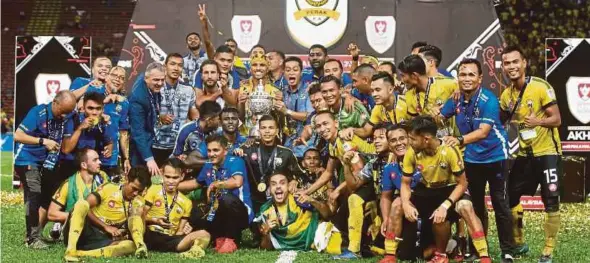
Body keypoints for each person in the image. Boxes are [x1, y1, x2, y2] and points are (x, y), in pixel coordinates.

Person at [437, 58, 518, 262]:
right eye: (462, 74)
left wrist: (458, 140)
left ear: (480, 78)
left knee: (500, 204)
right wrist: (435, 116)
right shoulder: (456, 99)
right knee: (477, 207)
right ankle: (477, 250)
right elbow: (438, 117)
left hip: (496, 156)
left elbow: (483, 132)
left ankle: (507, 250)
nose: (466, 79)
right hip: (473, 159)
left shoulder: (488, 100)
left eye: (471, 74)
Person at [499, 45, 562, 263]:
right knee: (511, 197)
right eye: (507, 63)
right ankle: (518, 242)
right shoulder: (507, 95)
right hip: (524, 155)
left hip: (547, 153)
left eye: (515, 62)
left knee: (551, 200)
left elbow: (557, 119)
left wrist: (538, 121)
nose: (511, 67)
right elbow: (499, 121)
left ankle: (548, 250)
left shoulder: (541, 87)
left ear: (524, 63)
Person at [401, 116, 491, 263]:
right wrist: (406, 203)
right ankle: (439, 254)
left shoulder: (449, 150)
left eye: (412, 139)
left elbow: (462, 184)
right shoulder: (411, 152)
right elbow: (405, 184)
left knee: (465, 206)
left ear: (426, 139)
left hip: (451, 189)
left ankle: (484, 256)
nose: (409, 142)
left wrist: (445, 205)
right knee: (399, 204)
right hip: (428, 190)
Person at [13, 90, 77, 249]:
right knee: (33, 194)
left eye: (67, 113)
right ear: (55, 103)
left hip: (45, 162)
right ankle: (31, 239)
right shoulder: (38, 112)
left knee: (49, 194)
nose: (64, 116)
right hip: (26, 159)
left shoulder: (64, 111)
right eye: (62, 111)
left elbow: (75, 95)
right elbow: (17, 135)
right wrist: (43, 141)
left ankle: (37, 233)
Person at [179, 134, 253, 254]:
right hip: (217, 212)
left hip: (240, 212)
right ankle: (218, 237)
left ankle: (231, 239)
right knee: (196, 209)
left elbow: (237, 182)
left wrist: (215, 184)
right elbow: (195, 183)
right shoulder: (208, 165)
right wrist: (171, 185)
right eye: (209, 150)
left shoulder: (236, 161)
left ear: (225, 151)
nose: (211, 154)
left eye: (216, 150)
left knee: (226, 199)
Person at [63, 166, 152, 261]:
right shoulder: (108, 188)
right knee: (81, 203)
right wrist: (105, 226)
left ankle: (81, 254)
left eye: (139, 191)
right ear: (126, 180)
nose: (135, 193)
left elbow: (140, 230)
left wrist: (138, 216)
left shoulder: (138, 201)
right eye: (134, 188)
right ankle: (71, 250)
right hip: (84, 232)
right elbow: (84, 208)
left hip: (103, 239)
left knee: (130, 245)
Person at [334, 123, 392, 259]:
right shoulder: (374, 162)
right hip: (381, 203)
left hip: (399, 206)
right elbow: (354, 185)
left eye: (381, 137)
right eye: (374, 138)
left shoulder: (403, 158)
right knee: (354, 198)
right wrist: (347, 165)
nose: (376, 141)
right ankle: (354, 249)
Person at [257, 172, 340, 253]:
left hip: (311, 237)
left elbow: (327, 214)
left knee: (328, 234)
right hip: (284, 244)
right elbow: (266, 247)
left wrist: (312, 201)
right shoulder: (266, 210)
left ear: (288, 186)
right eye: (274, 184)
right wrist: (265, 233)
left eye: (282, 183)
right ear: (269, 189)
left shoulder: (299, 199)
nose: (278, 186)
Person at [143, 158, 211, 257]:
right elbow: (139, 216)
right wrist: (155, 220)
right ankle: (140, 245)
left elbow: (179, 231)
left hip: (170, 239)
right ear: (162, 174)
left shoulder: (186, 202)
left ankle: (193, 252)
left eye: (175, 178)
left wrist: (183, 231)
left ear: (182, 176)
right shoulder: (153, 190)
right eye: (167, 177)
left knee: (205, 234)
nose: (171, 181)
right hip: (150, 234)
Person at [379, 124, 422, 263]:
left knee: (427, 254)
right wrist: (386, 219)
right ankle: (390, 255)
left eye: (402, 138)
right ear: (389, 145)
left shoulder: (423, 158)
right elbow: (385, 197)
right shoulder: (389, 168)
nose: (398, 143)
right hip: (406, 210)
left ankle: (451, 243)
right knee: (405, 255)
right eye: (393, 140)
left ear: (409, 139)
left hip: (428, 206)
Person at [152, 53, 198, 165]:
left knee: (174, 180)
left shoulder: (188, 90)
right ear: (164, 66)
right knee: (156, 181)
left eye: (180, 65)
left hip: (178, 146)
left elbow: (195, 116)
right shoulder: (154, 88)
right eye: (172, 64)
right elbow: (143, 115)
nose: (176, 68)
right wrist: (159, 117)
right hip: (155, 145)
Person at [398, 55, 457, 137]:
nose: (402, 80)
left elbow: (468, 91)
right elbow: (415, 123)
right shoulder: (409, 95)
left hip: (455, 140)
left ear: (414, 75)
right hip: (432, 142)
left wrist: (445, 107)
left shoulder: (447, 84)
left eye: (403, 76)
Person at [61, 92, 115, 182]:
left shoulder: (103, 123)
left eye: (98, 109)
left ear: (103, 109)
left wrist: (109, 149)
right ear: (83, 108)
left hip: (91, 170)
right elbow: (66, 149)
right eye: (90, 108)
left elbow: (109, 143)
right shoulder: (73, 120)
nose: (94, 112)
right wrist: (80, 128)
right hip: (70, 168)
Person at [48, 148, 109, 224]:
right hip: (77, 229)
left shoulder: (103, 178)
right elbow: (51, 214)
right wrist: (79, 216)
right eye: (95, 160)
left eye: (99, 159)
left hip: (101, 227)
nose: (100, 162)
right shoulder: (68, 185)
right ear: (84, 165)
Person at [340, 72, 409, 139]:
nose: (374, 94)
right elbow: (366, 131)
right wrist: (351, 129)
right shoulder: (377, 109)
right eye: (372, 91)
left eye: (378, 90)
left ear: (390, 89)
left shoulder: (406, 103)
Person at [92, 66, 131, 178]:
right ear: (107, 77)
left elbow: (123, 133)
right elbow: (81, 110)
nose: (118, 79)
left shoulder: (124, 103)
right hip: (91, 151)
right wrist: (105, 100)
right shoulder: (94, 91)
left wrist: (126, 158)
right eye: (114, 75)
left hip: (111, 158)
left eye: (121, 78)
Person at [129, 62, 166, 177]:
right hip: (137, 143)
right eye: (156, 80)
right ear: (146, 79)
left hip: (150, 137)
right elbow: (138, 132)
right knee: (139, 176)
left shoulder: (147, 78)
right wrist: (149, 159)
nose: (160, 83)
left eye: (162, 79)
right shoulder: (138, 99)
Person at [237, 54, 284, 137]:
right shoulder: (242, 88)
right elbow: (239, 118)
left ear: (267, 69)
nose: (258, 68)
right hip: (245, 137)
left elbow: (280, 122)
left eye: (262, 65)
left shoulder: (276, 91)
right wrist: (241, 104)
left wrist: (281, 110)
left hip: (269, 137)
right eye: (254, 65)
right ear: (250, 68)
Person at [275, 56, 313, 157]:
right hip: (287, 145)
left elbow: (310, 116)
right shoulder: (282, 93)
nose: (291, 72)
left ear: (301, 72)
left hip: (305, 146)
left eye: (295, 70)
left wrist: (287, 111)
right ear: (283, 73)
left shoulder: (309, 90)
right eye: (288, 70)